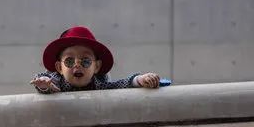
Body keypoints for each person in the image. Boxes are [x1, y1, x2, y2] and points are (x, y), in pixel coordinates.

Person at [30, 26, 164, 94]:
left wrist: (140, 80)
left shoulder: (99, 85)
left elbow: (120, 85)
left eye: (86, 61)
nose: (77, 65)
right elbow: (47, 82)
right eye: (69, 61)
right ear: (59, 68)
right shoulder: (57, 82)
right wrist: (44, 85)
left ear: (97, 67)